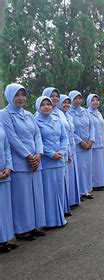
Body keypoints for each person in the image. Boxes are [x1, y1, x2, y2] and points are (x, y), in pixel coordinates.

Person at [1, 83, 46, 241]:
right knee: (22, 197)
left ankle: (33, 225)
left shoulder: (28, 114)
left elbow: (37, 135)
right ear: (9, 96)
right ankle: (21, 229)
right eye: (17, 95)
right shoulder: (5, 114)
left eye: (23, 94)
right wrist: (28, 156)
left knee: (35, 195)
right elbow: (12, 138)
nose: (21, 98)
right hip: (21, 162)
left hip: (35, 161)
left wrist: (39, 154)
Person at [34, 96, 68, 227]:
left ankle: (60, 218)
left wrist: (61, 152)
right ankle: (48, 221)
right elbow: (37, 141)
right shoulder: (35, 121)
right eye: (43, 104)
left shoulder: (57, 119)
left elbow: (64, 138)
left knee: (59, 189)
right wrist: (51, 154)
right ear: (38, 106)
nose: (47, 106)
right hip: (47, 160)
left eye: (48, 104)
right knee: (48, 190)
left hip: (59, 159)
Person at [43, 87, 73, 216]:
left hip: (63, 152)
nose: (55, 98)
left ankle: (62, 210)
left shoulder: (60, 112)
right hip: (49, 156)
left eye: (56, 96)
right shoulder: (40, 115)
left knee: (62, 182)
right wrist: (52, 153)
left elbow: (65, 135)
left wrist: (67, 151)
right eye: (52, 96)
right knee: (52, 186)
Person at [69, 90, 95, 200]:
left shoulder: (85, 111)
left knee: (87, 168)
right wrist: (81, 141)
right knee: (79, 169)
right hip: (79, 145)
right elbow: (71, 130)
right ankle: (79, 192)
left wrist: (91, 140)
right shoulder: (69, 112)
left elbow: (91, 126)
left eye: (79, 98)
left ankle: (87, 190)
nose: (78, 100)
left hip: (88, 144)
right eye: (75, 98)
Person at [58, 94, 81, 209]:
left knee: (72, 175)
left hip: (72, 148)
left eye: (68, 102)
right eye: (64, 102)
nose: (66, 105)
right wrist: (66, 151)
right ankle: (67, 203)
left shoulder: (69, 116)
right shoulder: (57, 115)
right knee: (67, 176)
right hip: (65, 150)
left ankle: (72, 200)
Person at [0, 120, 16, 253]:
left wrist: (8, 166)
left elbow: (6, 147)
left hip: (5, 172)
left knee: (4, 209)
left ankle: (4, 239)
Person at [87, 94, 104, 191]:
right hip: (94, 142)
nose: (95, 102)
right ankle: (95, 184)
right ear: (88, 102)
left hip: (101, 141)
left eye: (97, 100)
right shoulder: (87, 113)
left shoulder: (99, 113)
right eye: (93, 100)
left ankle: (102, 182)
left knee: (102, 163)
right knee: (95, 165)